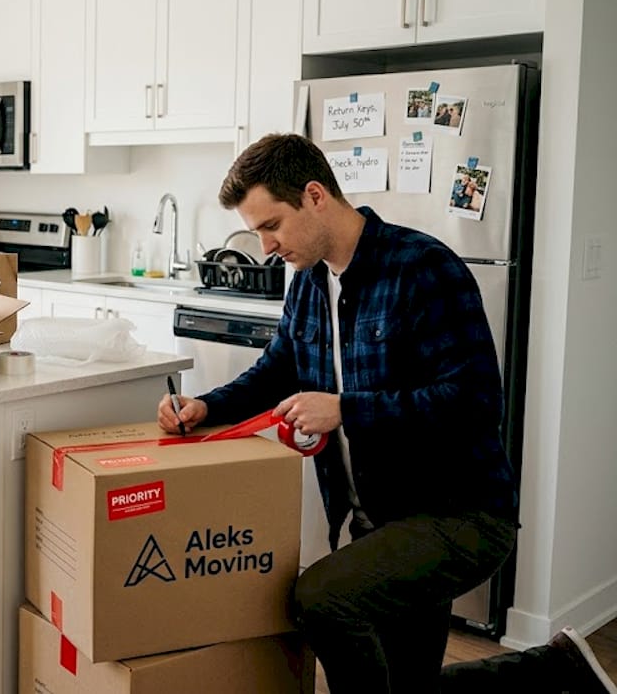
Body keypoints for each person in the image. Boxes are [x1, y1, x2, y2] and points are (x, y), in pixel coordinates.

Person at [156, 133, 616, 693]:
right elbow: (278, 369)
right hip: (375, 519)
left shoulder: (423, 268)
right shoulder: (307, 283)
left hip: (459, 515)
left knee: (319, 598)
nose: (267, 245)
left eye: (271, 225)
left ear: (315, 195)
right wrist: (207, 405)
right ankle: (556, 669)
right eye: (257, 232)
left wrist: (346, 410)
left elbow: (475, 402)